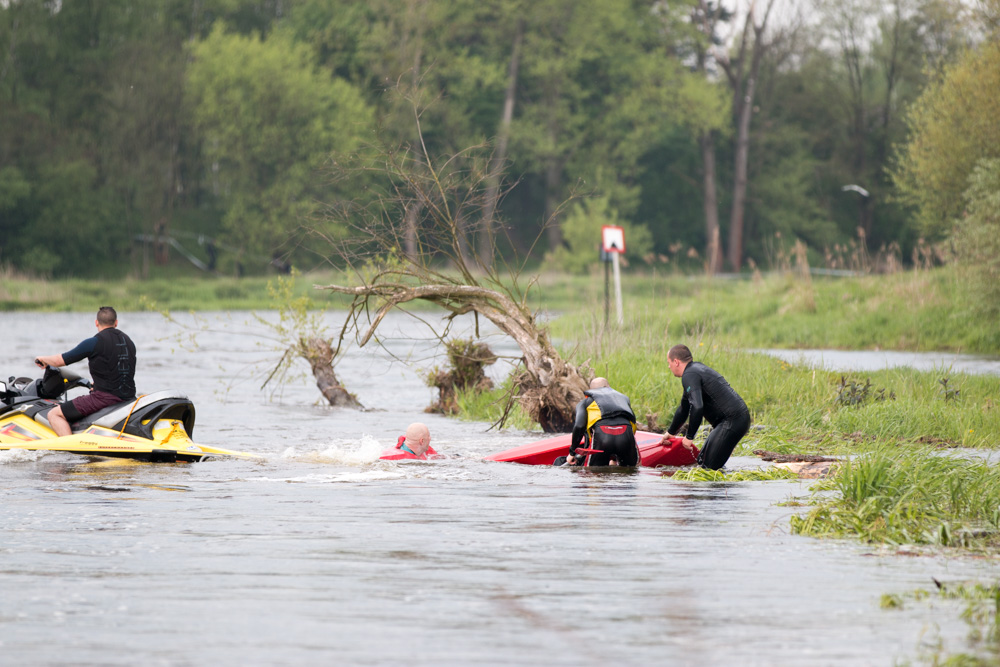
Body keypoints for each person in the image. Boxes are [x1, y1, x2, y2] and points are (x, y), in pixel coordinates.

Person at [33, 306, 137, 437]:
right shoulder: (129, 342)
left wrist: (43, 359)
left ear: (96, 322)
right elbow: (119, 369)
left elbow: (61, 360)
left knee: (54, 414)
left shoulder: (94, 342)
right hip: (129, 397)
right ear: (116, 322)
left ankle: (70, 451)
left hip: (105, 398)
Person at [663, 344, 750, 470]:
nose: (668, 366)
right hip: (732, 420)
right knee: (701, 460)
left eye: (669, 362)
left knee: (708, 468)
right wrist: (671, 432)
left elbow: (697, 407)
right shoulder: (694, 371)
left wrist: (689, 437)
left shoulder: (690, 375)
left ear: (676, 362)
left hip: (733, 421)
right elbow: (684, 408)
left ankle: (724, 488)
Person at [562, 377, 639, 467]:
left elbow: (579, 426)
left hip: (603, 436)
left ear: (591, 391)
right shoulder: (623, 399)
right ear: (608, 387)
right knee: (630, 472)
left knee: (596, 475)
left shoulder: (586, 402)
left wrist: (572, 452)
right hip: (626, 434)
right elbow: (633, 422)